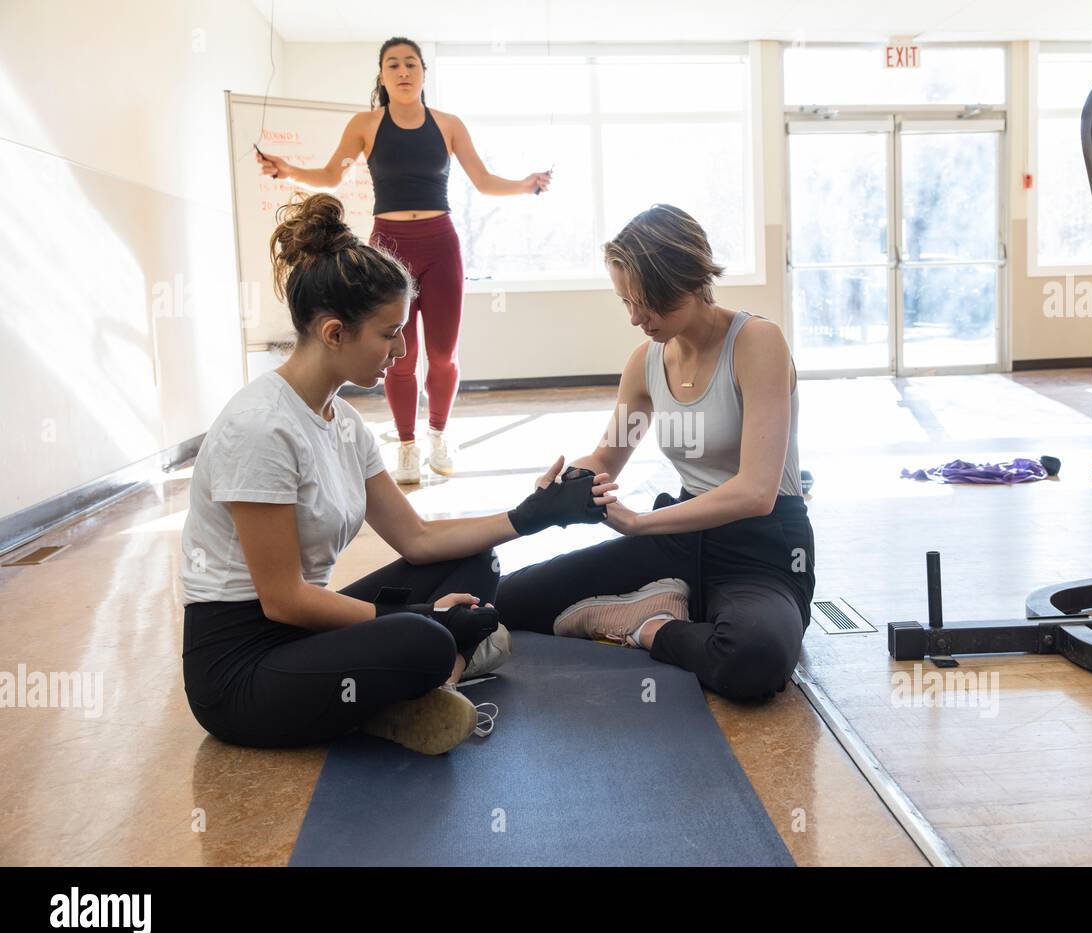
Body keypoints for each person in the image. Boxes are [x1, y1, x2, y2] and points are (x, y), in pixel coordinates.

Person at [180, 192, 613, 755]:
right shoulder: (261, 427)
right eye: (390, 333)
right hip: (241, 670)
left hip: (303, 636)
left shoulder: (343, 421)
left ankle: (426, 691)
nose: (403, 349)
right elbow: (283, 600)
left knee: (472, 563)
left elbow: (419, 538)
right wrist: (421, 617)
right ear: (335, 333)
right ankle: (431, 672)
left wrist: (532, 516)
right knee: (423, 638)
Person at [496, 205, 816, 701]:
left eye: (646, 303)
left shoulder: (757, 343)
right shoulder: (646, 361)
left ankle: (651, 625)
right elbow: (609, 454)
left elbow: (757, 492)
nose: (634, 319)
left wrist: (640, 523)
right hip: (681, 536)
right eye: (626, 301)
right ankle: (664, 599)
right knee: (511, 600)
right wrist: (567, 484)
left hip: (763, 549)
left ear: (688, 282)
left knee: (754, 660)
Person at [258, 36, 552, 482]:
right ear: (382, 75)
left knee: (443, 354)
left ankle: (438, 434)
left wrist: (525, 184)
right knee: (400, 354)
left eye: (411, 64)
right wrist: (288, 171)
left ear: (423, 74)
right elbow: (332, 176)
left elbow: (484, 180)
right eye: (393, 64)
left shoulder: (449, 124)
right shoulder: (366, 124)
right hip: (389, 247)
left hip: (440, 243)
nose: (402, 71)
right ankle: (408, 446)